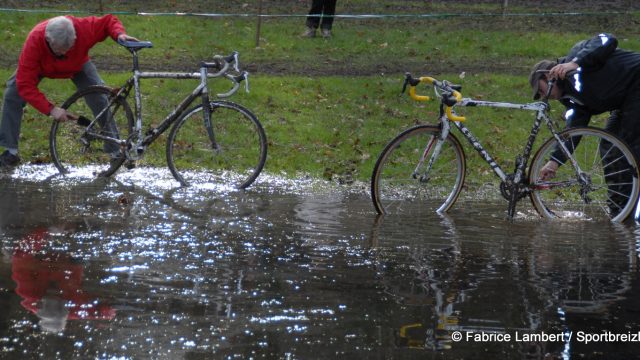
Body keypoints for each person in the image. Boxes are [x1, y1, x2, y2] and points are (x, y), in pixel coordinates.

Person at [0, 15, 138, 168]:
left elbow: (108, 21)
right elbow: (25, 84)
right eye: (60, 50)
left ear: (75, 36)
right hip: (41, 66)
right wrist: (51, 109)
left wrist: (119, 34)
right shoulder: (34, 41)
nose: (64, 53)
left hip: (78, 65)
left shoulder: (83, 28)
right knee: (13, 94)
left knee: (99, 98)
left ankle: (115, 151)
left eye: (69, 47)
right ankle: (10, 152)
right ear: (48, 39)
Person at [529, 33, 640, 214]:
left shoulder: (577, 56)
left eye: (541, 90)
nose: (544, 96)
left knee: (630, 147)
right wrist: (554, 162)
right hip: (624, 103)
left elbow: (607, 39)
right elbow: (573, 131)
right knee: (610, 147)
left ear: (550, 76)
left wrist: (576, 62)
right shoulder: (572, 100)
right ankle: (620, 211)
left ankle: (631, 210)